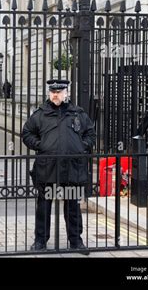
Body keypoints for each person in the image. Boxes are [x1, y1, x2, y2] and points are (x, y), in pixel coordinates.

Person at [21, 79, 95, 253]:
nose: (55, 95)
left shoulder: (78, 113)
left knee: (73, 206)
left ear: (66, 93)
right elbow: (26, 133)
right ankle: (40, 241)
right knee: (44, 207)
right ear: (49, 93)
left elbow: (90, 134)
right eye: (53, 92)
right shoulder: (40, 114)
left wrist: (81, 146)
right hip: (48, 168)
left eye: (59, 92)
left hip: (72, 168)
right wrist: (40, 145)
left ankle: (76, 241)